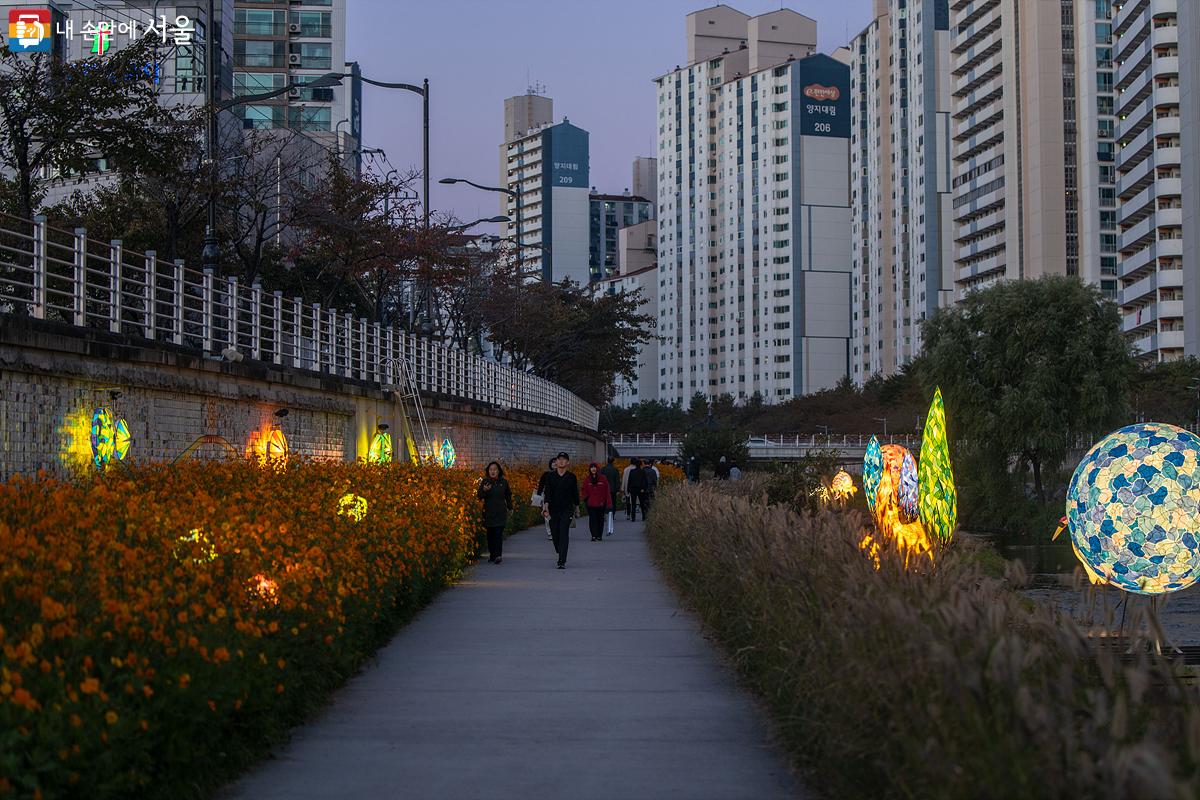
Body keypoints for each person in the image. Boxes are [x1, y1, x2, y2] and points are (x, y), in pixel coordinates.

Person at [542, 451, 580, 569]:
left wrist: (577, 507)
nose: (561, 461)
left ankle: (562, 560)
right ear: (556, 462)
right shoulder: (550, 477)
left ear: (568, 462)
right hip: (553, 509)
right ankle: (560, 550)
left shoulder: (571, 477)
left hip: (567, 509)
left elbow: (575, 493)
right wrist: (546, 506)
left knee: (564, 533)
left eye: (564, 459)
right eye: (559, 459)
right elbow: (547, 493)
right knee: (555, 533)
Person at [477, 461, 513, 564]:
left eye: (495, 469)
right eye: (491, 469)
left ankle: (498, 555)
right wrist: (484, 490)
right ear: (488, 471)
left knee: (498, 534)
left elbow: (508, 496)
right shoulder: (485, 482)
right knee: (490, 535)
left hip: (501, 512)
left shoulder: (504, 482)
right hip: (489, 512)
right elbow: (479, 496)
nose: (493, 471)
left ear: (498, 471)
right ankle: (492, 554)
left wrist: (510, 508)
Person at [581, 462, 613, 542]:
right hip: (591, 504)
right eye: (591, 467)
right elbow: (583, 490)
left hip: (601, 503)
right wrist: (586, 499)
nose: (593, 469)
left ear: (597, 468)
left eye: (594, 467)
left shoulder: (603, 479)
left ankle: (599, 535)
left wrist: (608, 503)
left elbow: (607, 491)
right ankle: (593, 535)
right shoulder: (587, 479)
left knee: (600, 519)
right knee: (592, 520)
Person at [600, 457, 621, 536]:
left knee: (604, 501)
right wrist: (618, 489)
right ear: (613, 462)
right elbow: (617, 480)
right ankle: (612, 514)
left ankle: (604, 513)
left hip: (604, 489)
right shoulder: (615, 470)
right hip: (613, 489)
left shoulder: (603, 469)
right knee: (613, 502)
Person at [537, 457, 556, 541]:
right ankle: (550, 533)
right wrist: (539, 496)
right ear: (550, 464)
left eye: (556, 462)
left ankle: (556, 531)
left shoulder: (562, 474)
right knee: (547, 515)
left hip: (558, 498)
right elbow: (540, 486)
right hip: (546, 497)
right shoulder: (546, 474)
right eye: (553, 462)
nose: (555, 463)